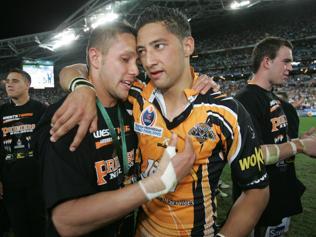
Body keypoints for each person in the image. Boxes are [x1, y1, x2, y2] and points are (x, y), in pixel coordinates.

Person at [51, 6, 273, 237]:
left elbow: (257, 191)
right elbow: (78, 68)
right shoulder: (135, 95)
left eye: (158, 46)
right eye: (142, 52)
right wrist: (82, 87)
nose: (148, 61)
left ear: (188, 45)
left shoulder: (226, 112)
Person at [36, 21, 196, 237]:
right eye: (124, 59)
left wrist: (200, 83)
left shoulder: (134, 105)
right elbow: (65, 221)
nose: (135, 70)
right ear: (95, 58)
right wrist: (156, 184)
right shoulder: (68, 116)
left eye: (137, 62)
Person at [234, 36, 314, 237]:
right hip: (259, 198)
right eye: (286, 61)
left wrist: (307, 138)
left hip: (282, 193)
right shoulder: (244, 101)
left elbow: (279, 142)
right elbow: (252, 155)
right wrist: (301, 145)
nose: (290, 68)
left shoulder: (277, 101)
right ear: (267, 61)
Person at [0, 68, 46, 237]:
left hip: (37, 179)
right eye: (7, 81)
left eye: (15, 81)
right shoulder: (2, 111)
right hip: (11, 182)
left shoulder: (41, 109)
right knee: (19, 227)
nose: (9, 84)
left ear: (28, 84)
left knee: (39, 225)